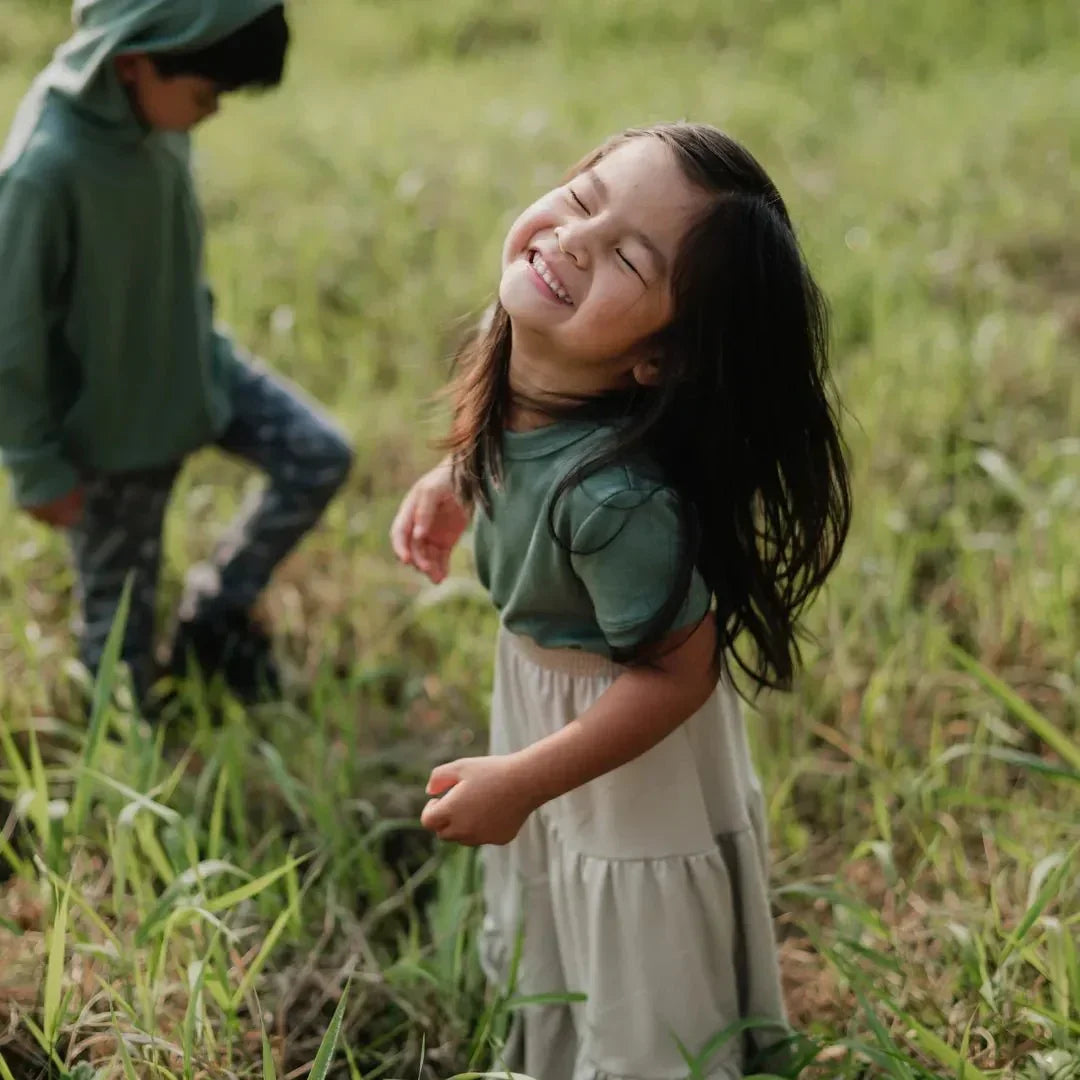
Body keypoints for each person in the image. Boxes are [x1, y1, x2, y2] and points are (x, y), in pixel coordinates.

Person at [392, 123, 851, 1079]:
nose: (573, 240)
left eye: (626, 257)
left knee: (636, 928)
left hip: (618, 725)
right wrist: (453, 481)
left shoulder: (613, 502)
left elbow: (679, 677)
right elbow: (504, 432)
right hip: (539, 690)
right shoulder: (519, 338)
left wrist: (526, 780)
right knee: (559, 888)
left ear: (659, 359)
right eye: (584, 198)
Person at [0, 0, 353, 706]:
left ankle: (216, 614)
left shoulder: (159, 118)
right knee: (119, 639)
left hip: (196, 368)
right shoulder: (45, 168)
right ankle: (130, 774)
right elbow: (12, 331)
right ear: (131, 63)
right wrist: (35, 465)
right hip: (112, 437)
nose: (212, 112)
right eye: (204, 95)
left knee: (319, 454)